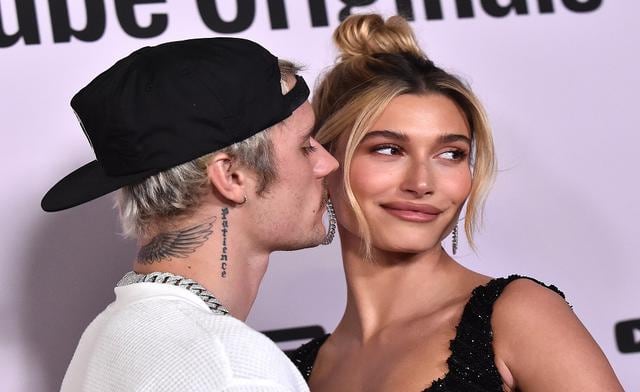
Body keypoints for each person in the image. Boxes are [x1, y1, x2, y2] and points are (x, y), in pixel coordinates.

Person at [290, 14, 623, 391]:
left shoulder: (515, 316)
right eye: (389, 149)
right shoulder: (294, 373)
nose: (421, 183)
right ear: (325, 159)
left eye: (450, 154)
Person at [41, 37, 338, 391]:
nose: (328, 163)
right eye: (305, 146)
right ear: (230, 176)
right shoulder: (234, 368)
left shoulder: (109, 336)